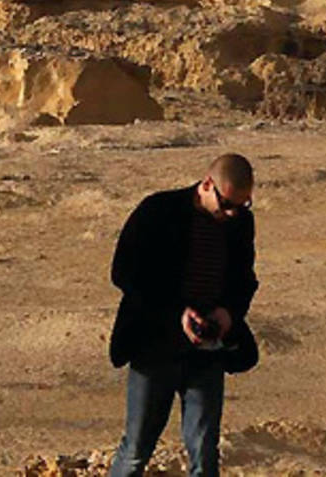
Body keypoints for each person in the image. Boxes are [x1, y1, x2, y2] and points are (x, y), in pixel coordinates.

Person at [106, 153, 258, 477]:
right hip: (154, 349)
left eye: (241, 206)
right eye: (227, 204)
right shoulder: (158, 211)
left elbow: (245, 280)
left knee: (204, 454)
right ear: (206, 185)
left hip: (207, 351)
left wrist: (228, 314)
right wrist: (177, 313)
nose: (232, 214)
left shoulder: (240, 224)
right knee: (136, 450)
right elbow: (125, 274)